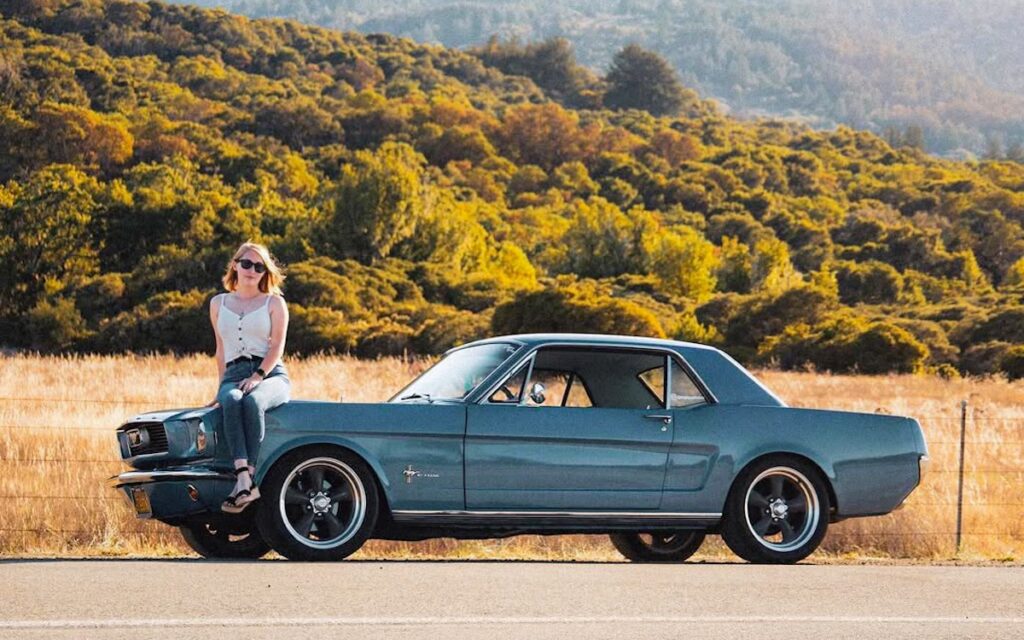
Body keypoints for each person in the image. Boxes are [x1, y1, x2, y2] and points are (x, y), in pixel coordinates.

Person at [208, 241, 291, 513]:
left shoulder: (274, 303)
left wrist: (258, 375)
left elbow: (277, 346)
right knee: (231, 399)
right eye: (246, 264)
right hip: (233, 373)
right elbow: (220, 349)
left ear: (265, 272)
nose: (251, 270)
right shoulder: (218, 303)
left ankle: (247, 479)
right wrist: (220, 388)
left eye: (258, 266)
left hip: (271, 375)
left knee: (252, 402)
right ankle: (243, 477)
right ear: (235, 265)